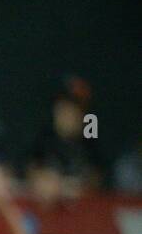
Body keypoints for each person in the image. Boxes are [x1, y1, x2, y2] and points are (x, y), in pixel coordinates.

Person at [25, 75, 104, 204]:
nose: (67, 114)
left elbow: (97, 179)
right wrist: (41, 179)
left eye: (73, 109)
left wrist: (75, 186)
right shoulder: (42, 140)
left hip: (82, 216)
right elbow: (29, 171)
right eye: (62, 107)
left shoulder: (90, 144)